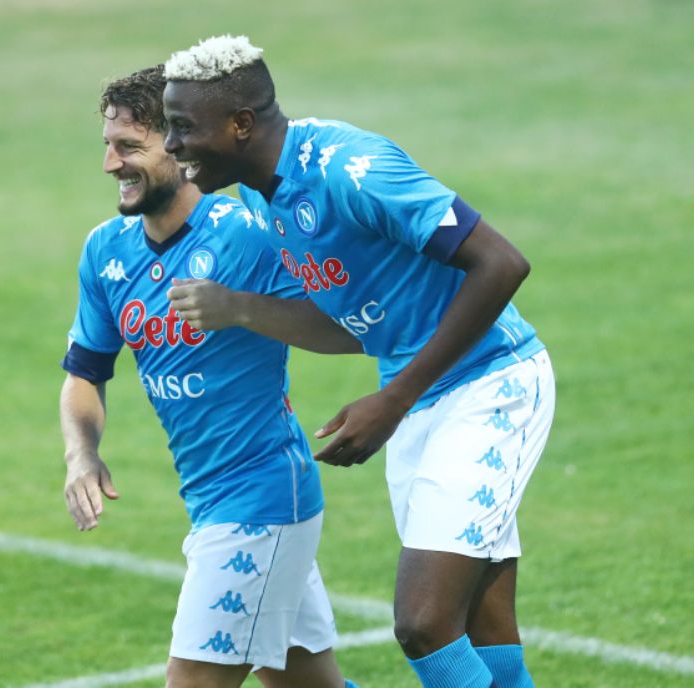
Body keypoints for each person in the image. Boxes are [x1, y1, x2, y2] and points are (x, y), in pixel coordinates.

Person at [161, 35, 555, 688]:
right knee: (483, 625)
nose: (172, 145)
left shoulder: (353, 169)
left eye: (182, 127)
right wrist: (240, 309)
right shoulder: (260, 194)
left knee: (424, 624)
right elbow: (349, 324)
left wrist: (393, 400)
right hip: (420, 400)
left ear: (240, 124)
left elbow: (502, 263)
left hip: (492, 384)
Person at [59, 65, 361, 688]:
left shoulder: (248, 236)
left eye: (129, 147)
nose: (111, 165)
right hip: (213, 499)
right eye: (108, 146)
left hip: (261, 499)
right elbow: (85, 372)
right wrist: (80, 454)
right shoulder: (106, 250)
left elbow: (347, 329)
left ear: (176, 145)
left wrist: (241, 308)